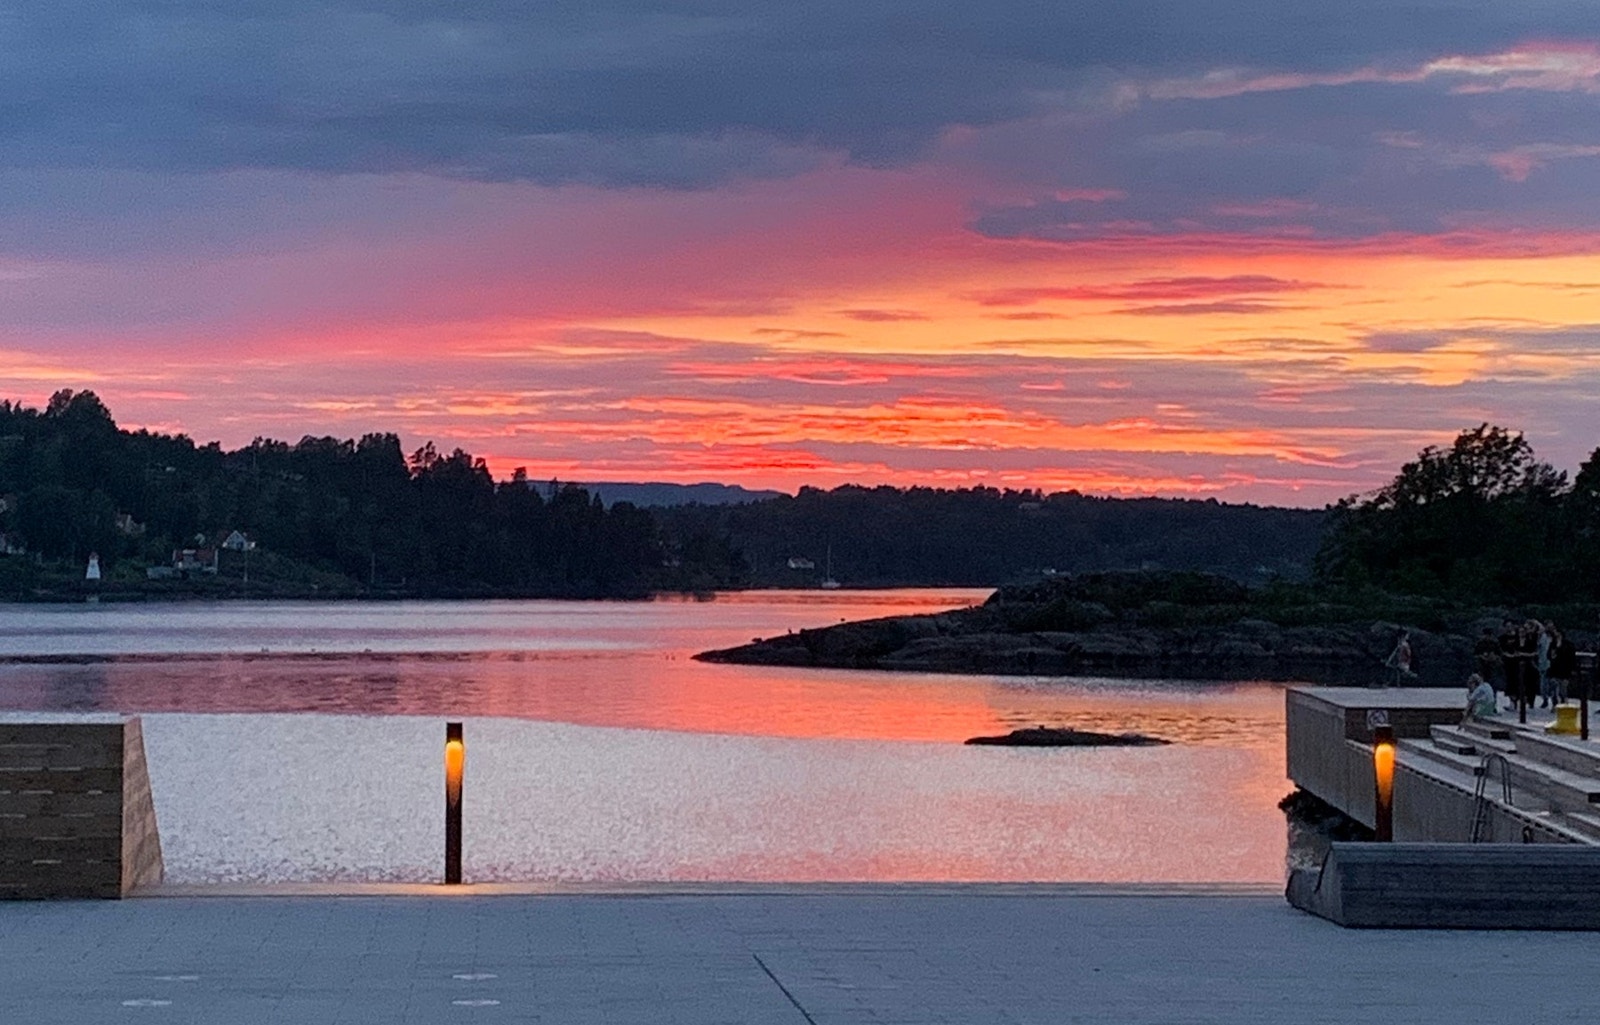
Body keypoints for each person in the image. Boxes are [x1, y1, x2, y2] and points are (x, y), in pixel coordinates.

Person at [1547, 626, 1577, 706]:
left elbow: (1572, 657)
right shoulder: (1552, 644)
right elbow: (1549, 655)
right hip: (1554, 668)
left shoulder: (1568, 644)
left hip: (1565, 668)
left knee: (1563, 688)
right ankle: (1555, 703)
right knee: (1553, 686)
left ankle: (1564, 702)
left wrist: (1572, 669)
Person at [1537, 621, 1555, 708]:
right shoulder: (1542, 637)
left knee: (1553, 684)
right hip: (1543, 662)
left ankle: (1554, 701)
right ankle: (1545, 699)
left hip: (1553, 664)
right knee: (1543, 684)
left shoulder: (1555, 637)